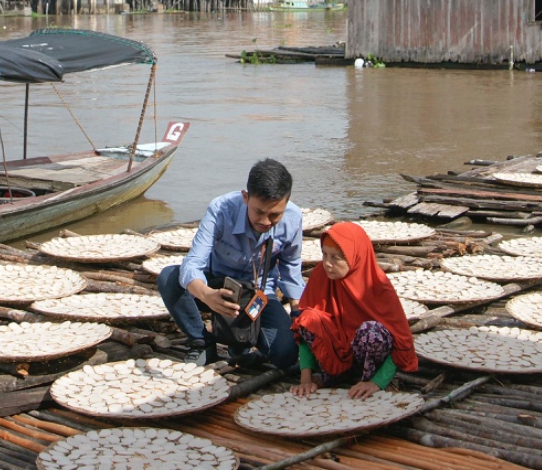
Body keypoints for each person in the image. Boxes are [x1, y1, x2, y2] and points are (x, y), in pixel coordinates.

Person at [159, 158, 303, 368]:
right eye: (259, 212)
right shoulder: (221, 209)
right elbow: (193, 263)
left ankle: (244, 344)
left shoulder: (293, 219)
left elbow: (291, 272)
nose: (265, 222)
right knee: (169, 277)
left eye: (274, 215)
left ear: (287, 202)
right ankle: (201, 342)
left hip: (259, 293)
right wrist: (208, 295)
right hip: (216, 284)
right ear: (245, 197)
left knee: (285, 356)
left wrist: (299, 317)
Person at [290, 221, 417, 398]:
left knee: (371, 332)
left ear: (355, 257)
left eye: (336, 257)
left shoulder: (377, 286)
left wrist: (377, 382)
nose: (327, 263)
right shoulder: (321, 276)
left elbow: (402, 341)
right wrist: (306, 379)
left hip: (369, 358)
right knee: (309, 317)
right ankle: (335, 375)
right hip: (338, 357)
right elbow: (305, 329)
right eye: (324, 255)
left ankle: (367, 379)